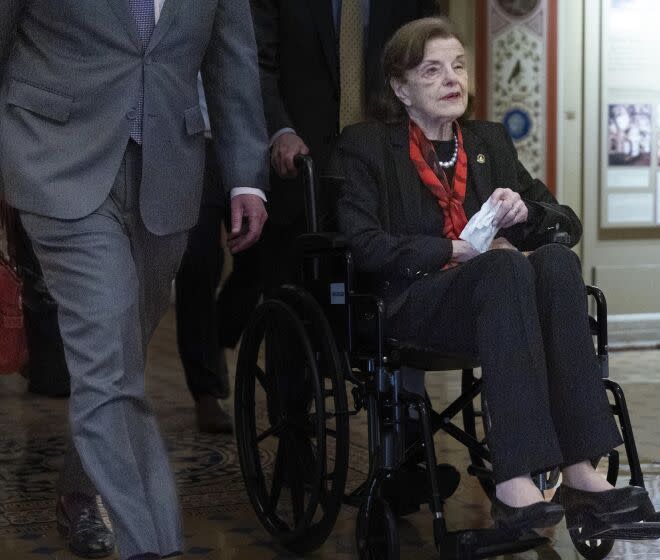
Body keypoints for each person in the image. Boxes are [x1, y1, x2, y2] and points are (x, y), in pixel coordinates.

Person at [334, 17, 648, 530]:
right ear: (400, 87)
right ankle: (513, 479)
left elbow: (565, 222)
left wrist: (530, 214)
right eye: (431, 70)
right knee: (502, 266)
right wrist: (453, 250)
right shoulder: (367, 146)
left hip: (500, 304)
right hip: (414, 303)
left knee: (555, 260)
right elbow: (364, 245)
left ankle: (577, 466)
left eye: (458, 66)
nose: (452, 79)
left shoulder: (488, 141)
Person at [0, 2, 268, 559]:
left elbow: (231, 60)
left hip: (168, 172)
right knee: (107, 353)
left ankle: (79, 486)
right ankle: (151, 545)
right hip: (57, 160)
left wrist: (247, 177)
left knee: (121, 354)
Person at [248, 0, 440, 293]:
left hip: (387, 174)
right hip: (300, 170)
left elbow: (431, 55)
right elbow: (256, 63)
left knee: (371, 308)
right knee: (295, 306)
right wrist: (280, 130)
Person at [174, 78, 263, 435]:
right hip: (186, 145)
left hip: (242, 143)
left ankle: (216, 338)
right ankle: (206, 391)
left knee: (258, 256)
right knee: (197, 263)